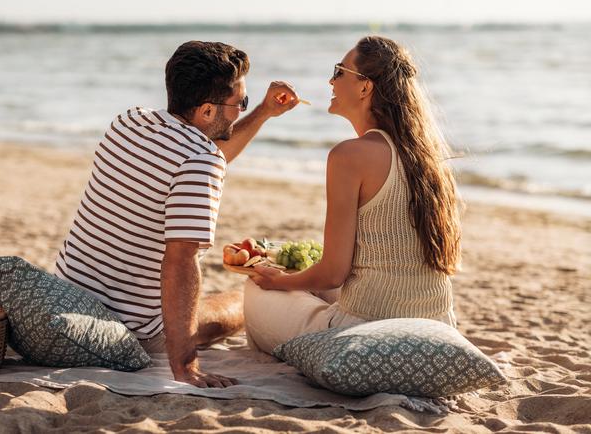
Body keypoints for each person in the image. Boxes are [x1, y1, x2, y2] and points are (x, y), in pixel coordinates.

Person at [55, 41, 300, 387]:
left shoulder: (129, 121)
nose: (241, 110)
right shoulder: (201, 162)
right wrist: (186, 366)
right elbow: (181, 262)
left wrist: (262, 111)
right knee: (245, 301)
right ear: (206, 112)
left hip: (68, 296)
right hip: (134, 328)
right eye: (239, 103)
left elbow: (197, 152)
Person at [245, 36, 462, 353]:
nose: (330, 80)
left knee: (255, 291)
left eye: (339, 71)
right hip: (437, 326)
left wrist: (275, 281)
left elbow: (333, 274)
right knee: (305, 285)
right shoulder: (429, 158)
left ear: (365, 87)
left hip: (364, 331)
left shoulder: (349, 156)